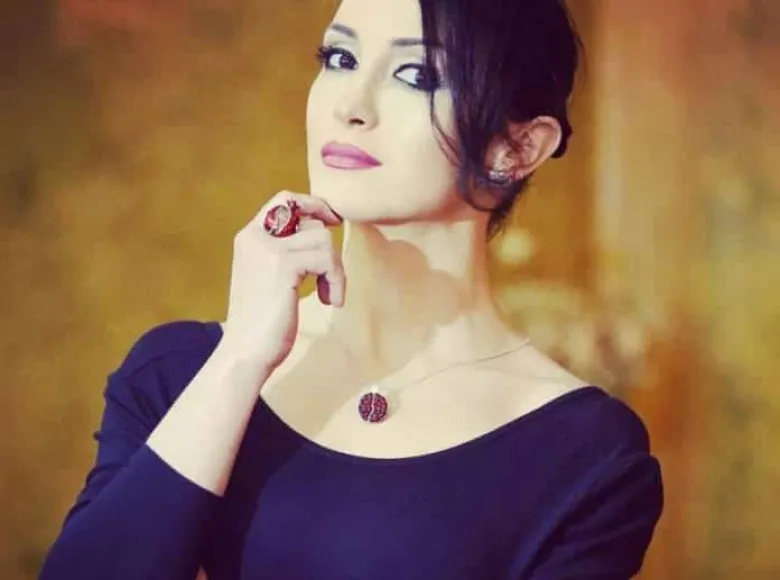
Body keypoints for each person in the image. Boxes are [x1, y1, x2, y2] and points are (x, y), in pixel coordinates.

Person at [40, 0, 663, 578]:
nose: (351, 105)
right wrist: (241, 359)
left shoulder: (585, 456)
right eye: (340, 59)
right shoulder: (180, 371)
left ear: (517, 146)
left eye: (416, 76)